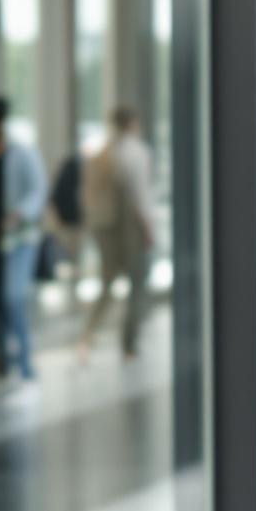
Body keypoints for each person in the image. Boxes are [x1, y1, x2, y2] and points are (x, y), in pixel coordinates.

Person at [0, 95, 47, 383]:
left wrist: (19, 214)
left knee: (14, 297)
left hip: (20, 238)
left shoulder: (23, 152)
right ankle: (4, 360)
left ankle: (25, 360)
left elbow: (38, 190)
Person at [79, 105, 159, 359]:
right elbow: (140, 196)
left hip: (105, 229)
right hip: (130, 227)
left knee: (108, 283)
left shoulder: (103, 151)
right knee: (137, 284)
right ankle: (129, 344)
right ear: (133, 123)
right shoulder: (136, 152)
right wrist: (148, 229)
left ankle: (87, 335)